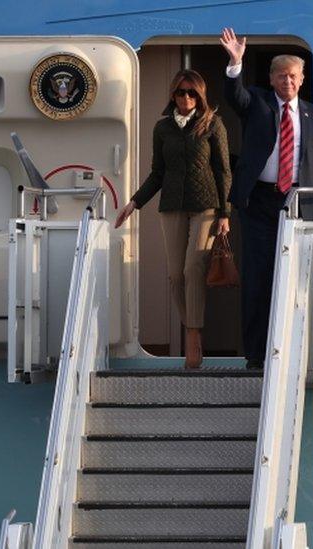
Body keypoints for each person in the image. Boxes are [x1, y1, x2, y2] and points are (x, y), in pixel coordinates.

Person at [219, 27, 313, 370]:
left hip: (298, 203)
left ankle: (292, 347)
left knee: (295, 277)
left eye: (293, 75)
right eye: (281, 75)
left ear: (302, 80)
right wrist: (235, 62)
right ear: (272, 79)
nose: (288, 81)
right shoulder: (256, 102)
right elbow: (235, 96)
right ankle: (256, 355)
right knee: (259, 277)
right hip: (259, 203)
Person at [115, 70, 231, 369]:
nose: (186, 98)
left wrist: (225, 213)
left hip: (206, 206)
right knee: (176, 275)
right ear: (173, 95)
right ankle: (192, 325)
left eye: (192, 93)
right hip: (172, 207)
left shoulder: (212, 124)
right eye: (181, 92)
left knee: (194, 267)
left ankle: (193, 337)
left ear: (201, 96)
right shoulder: (162, 128)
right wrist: (134, 203)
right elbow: (157, 173)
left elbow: (223, 171)